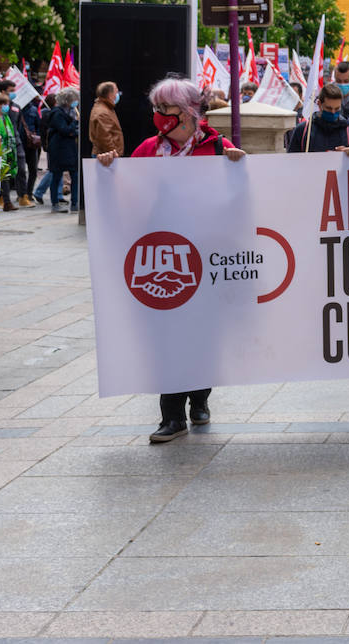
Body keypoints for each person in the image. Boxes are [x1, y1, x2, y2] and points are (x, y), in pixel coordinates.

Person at [96, 77, 245, 443]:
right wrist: (109, 170)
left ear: (190, 112)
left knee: (205, 337)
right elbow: (128, 196)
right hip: (165, 261)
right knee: (168, 338)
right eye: (157, 108)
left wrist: (239, 168)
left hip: (208, 261)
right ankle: (172, 414)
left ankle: (200, 396)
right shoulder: (148, 150)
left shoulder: (218, 149)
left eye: (167, 109)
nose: (159, 115)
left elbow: (240, 201)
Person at [34, 86, 80, 213]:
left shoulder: (70, 112)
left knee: (74, 176)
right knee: (56, 175)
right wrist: (75, 124)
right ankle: (55, 203)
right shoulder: (57, 113)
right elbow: (65, 130)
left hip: (69, 149)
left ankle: (75, 202)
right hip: (59, 149)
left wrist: (73, 131)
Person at [288, 83, 349, 155]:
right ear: (319, 104)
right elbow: (291, 160)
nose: (333, 112)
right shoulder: (303, 130)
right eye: (329, 108)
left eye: (337, 108)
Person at [89, 81, 124, 158]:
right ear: (110, 94)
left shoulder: (106, 108)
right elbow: (104, 137)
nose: (118, 95)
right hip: (106, 156)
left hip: (107, 155)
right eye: (116, 92)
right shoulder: (103, 112)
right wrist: (114, 153)